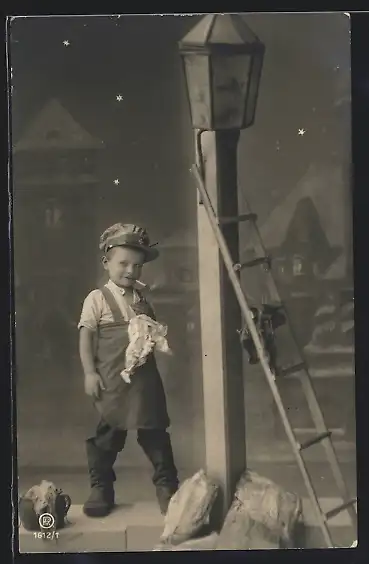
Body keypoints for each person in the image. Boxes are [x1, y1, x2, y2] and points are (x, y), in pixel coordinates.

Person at [78, 223, 179, 518]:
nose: (130, 271)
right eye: (123, 263)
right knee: (109, 432)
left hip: (144, 379)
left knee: (155, 432)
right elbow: (86, 338)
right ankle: (101, 488)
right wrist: (89, 373)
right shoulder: (97, 299)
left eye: (137, 265)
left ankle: (167, 487)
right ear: (106, 263)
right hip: (112, 379)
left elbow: (151, 338)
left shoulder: (142, 299)